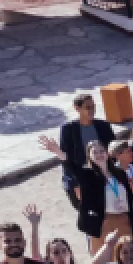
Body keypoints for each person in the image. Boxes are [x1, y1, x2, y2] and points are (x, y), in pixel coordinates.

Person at [50, 93, 116, 222]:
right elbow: (66, 158)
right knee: (91, 218)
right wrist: (76, 183)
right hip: (81, 179)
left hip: (104, 177)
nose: (92, 110)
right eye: (88, 107)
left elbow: (113, 152)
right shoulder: (68, 129)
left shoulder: (103, 126)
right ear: (77, 108)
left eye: (93, 106)